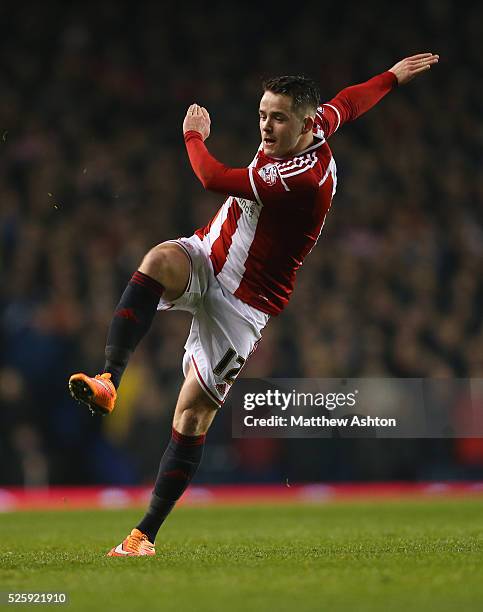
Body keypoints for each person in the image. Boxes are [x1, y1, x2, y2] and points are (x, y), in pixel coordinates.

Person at [69, 52, 439, 556]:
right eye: (263, 114)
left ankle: (143, 535)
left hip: (243, 305)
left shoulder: (300, 178)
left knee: (192, 417)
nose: (266, 125)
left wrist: (193, 134)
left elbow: (211, 177)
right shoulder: (317, 125)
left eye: (278, 117)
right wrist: (392, 76)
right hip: (208, 253)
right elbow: (350, 103)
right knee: (157, 260)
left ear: (304, 123)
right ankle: (109, 378)